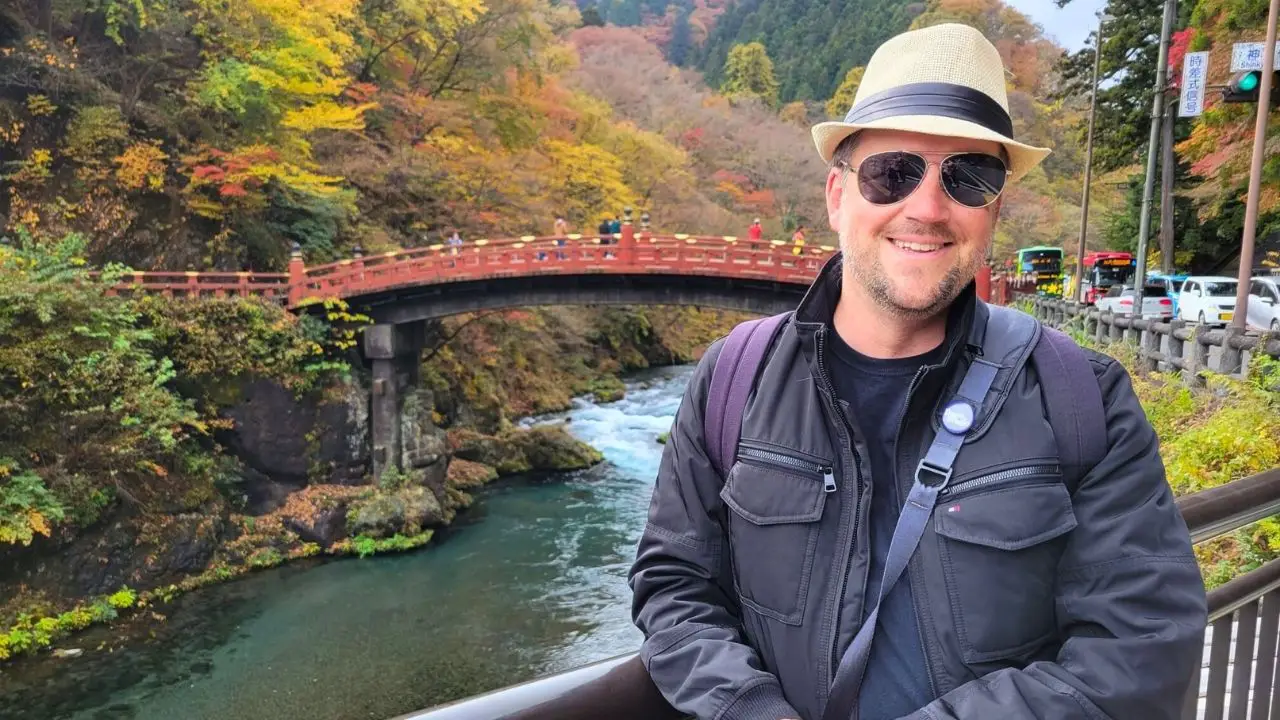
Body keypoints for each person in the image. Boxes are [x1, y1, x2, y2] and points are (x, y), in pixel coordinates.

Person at [628, 22, 1206, 720]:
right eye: (892, 172)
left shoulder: (1080, 397)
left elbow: (1140, 649)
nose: (928, 208)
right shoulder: (734, 378)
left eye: (968, 177)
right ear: (838, 196)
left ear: (994, 210)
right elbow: (674, 584)